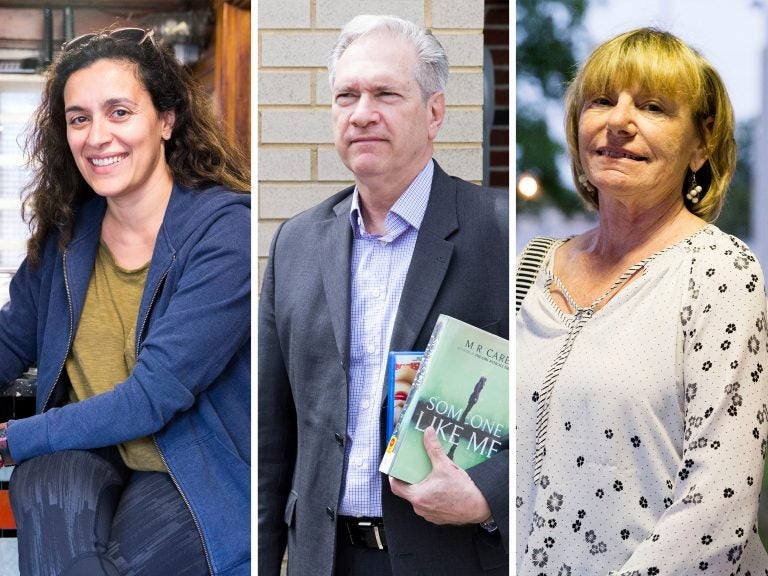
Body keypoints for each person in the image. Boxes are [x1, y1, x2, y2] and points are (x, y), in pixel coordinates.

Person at [258, 14, 509, 576]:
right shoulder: (295, 242)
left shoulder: (502, 235)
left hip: (450, 558)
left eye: (386, 94)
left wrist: (490, 494)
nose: (362, 112)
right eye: (347, 95)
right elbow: (272, 441)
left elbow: (550, 411)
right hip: (322, 560)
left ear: (435, 113)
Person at [516, 27, 768, 574]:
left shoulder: (721, 271)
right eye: (602, 101)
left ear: (701, 144)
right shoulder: (528, 268)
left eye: (653, 106)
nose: (618, 121)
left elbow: (721, 502)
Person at [0, 27, 251, 575]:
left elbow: (153, 395)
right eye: (79, 118)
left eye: (119, 112)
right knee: (41, 483)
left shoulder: (226, 232)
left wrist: (13, 438)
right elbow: (8, 340)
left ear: (166, 120)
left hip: (190, 467)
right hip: (92, 452)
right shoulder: (68, 231)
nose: (97, 137)